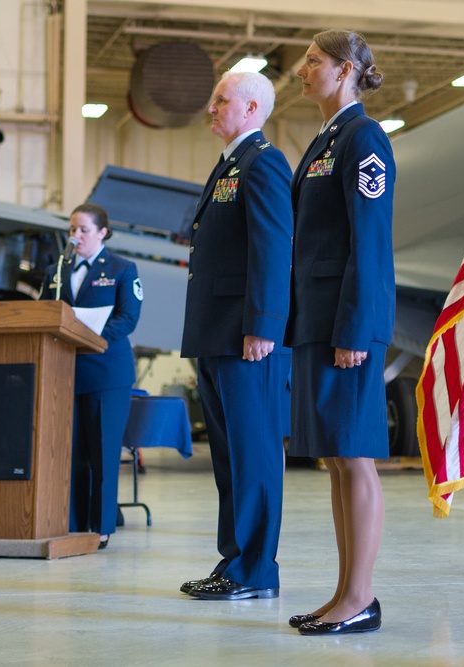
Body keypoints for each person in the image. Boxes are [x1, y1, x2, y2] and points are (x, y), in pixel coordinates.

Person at [284, 30, 396, 635]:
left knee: (353, 458)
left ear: (345, 70)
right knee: (334, 457)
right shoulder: (325, 141)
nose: (303, 71)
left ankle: (361, 598)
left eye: (314, 61)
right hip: (319, 321)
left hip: (346, 325)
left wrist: (354, 326)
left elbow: (369, 243)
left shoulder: (364, 139)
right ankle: (344, 594)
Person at [179, 71, 294, 601]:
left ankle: (256, 570)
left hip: (246, 336)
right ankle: (235, 561)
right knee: (228, 457)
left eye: (220, 100)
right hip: (216, 332)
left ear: (250, 108)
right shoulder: (231, 163)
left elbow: (272, 248)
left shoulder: (263, 161)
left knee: (254, 453)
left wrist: (264, 325)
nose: (211, 108)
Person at [41, 203, 143, 549]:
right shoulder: (58, 269)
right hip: (64, 373)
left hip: (105, 372)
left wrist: (91, 337)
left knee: (102, 450)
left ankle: (100, 526)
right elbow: (44, 311)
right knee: (68, 450)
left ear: (102, 232)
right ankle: (69, 520)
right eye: (72, 229)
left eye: (84, 229)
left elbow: (128, 319)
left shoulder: (122, 269)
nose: (76, 236)